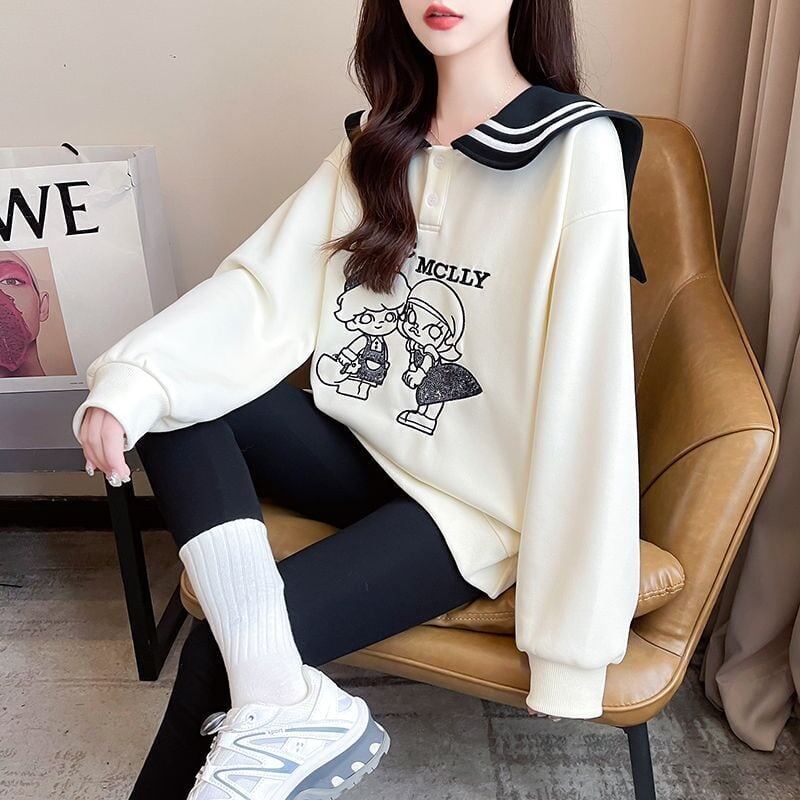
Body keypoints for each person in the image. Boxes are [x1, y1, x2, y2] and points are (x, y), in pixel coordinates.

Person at [73, 1, 648, 798]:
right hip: (366, 455)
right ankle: (285, 709)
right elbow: (264, 288)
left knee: (224, 646)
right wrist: (132, 385)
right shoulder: (378, 141)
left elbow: (590, 400)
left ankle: (273, 707)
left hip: (471, 510)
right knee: (176, 396)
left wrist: (570, 652)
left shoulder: (577, 149)